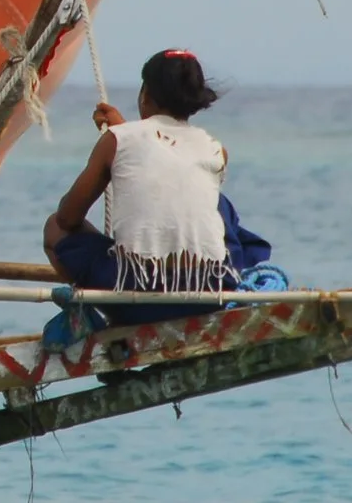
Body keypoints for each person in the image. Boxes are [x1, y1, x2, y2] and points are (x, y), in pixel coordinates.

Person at [44, 48, 261, 322]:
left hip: (138, 298)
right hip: (209, 296)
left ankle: (101, 318)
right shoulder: (215, 149)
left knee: (54, 227)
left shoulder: (117, 139)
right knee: (220, 208)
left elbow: (68, 217)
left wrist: (118, 135)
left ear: (145, 94)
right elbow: (168, 166)